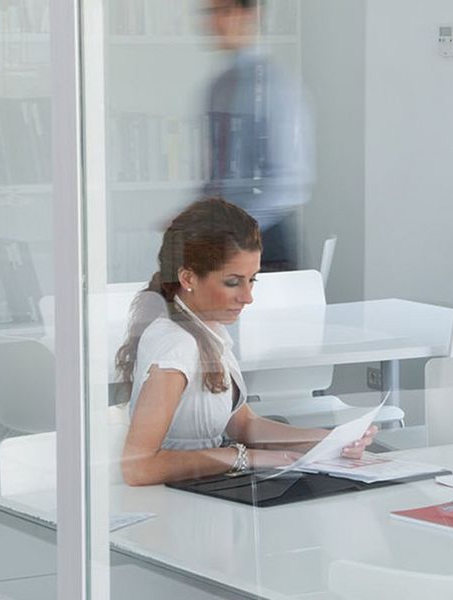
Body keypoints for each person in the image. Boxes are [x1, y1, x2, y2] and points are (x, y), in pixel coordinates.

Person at [116, 198, 374, 485]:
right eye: (232, 282)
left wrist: (328, 440)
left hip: (203, 489)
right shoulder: (177, 346)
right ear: (188, 277)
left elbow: (244, 425)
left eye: (253, 280)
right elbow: (137, 468)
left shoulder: (207, 329)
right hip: (176, 500)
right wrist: (244, 457)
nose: (248, 297)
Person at [202, 0, 314, 272]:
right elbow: (217, 172)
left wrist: (232, 229)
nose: (214, 22)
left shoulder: (276, 86)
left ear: (250, 15)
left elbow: (290, 182)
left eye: (224, 11)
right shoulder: (219, 86)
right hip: (222, 241)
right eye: (210, 13)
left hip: (264, 245)